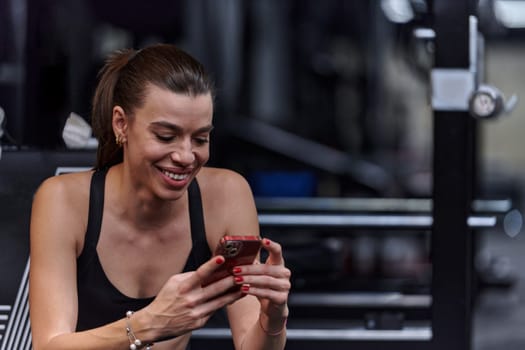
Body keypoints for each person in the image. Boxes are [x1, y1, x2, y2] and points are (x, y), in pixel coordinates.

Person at [29, 43, 291, 350]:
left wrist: (273, 316)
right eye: (166, 136)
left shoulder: (227, 195)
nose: (185, 156)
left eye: (200, 138)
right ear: (121, 124)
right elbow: (49, 345)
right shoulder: (63, 200)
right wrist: (148, 324)